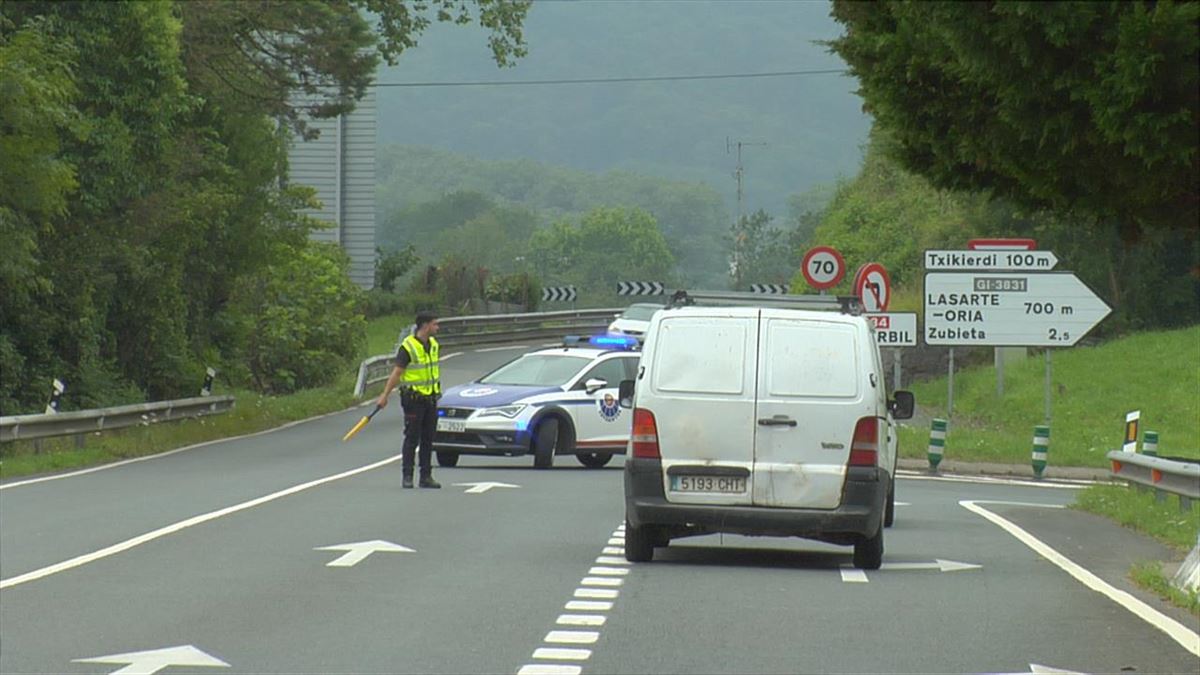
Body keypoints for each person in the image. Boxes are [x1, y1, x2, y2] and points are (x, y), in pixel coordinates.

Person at [377, 311, 442, 489]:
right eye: (435, 324)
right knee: (412, 437)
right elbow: (397, 372)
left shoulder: (434, 345)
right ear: (425, 325)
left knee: (428, 439)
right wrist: (385, 395)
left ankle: (426, 476)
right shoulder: (408, 346)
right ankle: (407, 475)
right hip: (413, 399)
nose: (437, 327)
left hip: (431, 398)